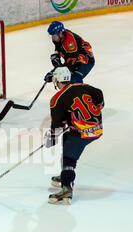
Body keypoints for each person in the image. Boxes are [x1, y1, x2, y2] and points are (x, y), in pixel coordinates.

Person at [45, 67, 104, 205]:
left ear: (57, 81)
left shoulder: (57, 99)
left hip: (81, 133)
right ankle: (65, 173)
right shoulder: (87, 87)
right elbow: (99, 99)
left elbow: (58, 126)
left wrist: (52, 137)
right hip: (97, 129)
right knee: (67, 139)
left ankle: (66, 187)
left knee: (68, 157)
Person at [44, 21, 95, 85]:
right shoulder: (58, 38)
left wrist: (54, 72)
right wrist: (56, 62)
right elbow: (58, 49)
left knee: (73, 79)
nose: (52, 38)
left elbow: (70, 64)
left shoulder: (69, 42)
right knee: (64, 78)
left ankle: (80, 92)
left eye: (54, 35)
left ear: (60, 33)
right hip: (73, 58)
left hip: (85, 61)